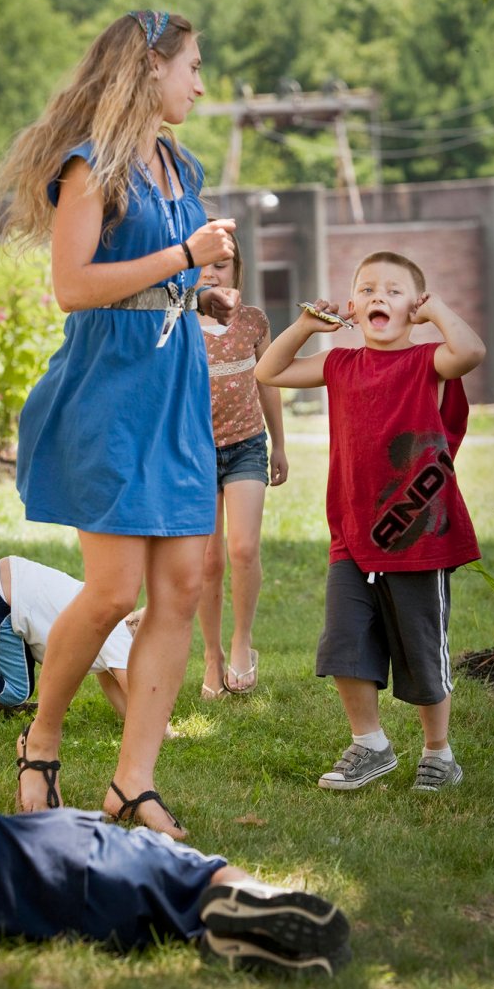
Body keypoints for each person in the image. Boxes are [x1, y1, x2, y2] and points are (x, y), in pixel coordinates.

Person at [0, 11, 241, 836]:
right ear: (148, 70)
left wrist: (198, 293)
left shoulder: (180, 163)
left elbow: (155, 273)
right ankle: (43, 738)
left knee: (183, 584)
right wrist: (183, 259)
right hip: (109, 391)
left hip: (175, 384)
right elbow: (74, 285)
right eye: (193, 67)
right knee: (111, 591)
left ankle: (132, 784)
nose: (200, 84)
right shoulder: (88, 166)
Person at [255, 250, 485, 792]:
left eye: (395, 290)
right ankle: (370, 743)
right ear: (353, 309)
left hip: (416, 535)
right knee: (343, 643)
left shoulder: (428, 361)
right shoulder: (338, 365)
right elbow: (270, 370)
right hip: (352, 536)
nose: (378, 295)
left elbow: (470, 351)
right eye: (366, 289)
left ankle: (439, 752)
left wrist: (439, 311)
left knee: (422, 651)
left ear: (416, 308)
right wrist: (307, 325)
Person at [0, 789, 351, 977]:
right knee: (167, 862)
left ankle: (221, 930)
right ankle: (241, 892)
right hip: (72, 864)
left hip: (13, 909)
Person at [196, 232, 288, 698]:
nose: (212, 274)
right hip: (195, 452)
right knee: (208, 560)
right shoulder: (180, 324)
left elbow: (269, 384)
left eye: (222, 266)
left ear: (238, 271)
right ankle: (211, 656)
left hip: (248, 446)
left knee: (243, 549)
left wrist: (280, 444)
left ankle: (241, 642)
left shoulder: (253, 321)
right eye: (204, 265)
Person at [0, 556, 150, 733]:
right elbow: (139, 695)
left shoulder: (113, 621)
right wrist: (162, 731)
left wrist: (129, 717)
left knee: (13, 674)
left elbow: (116, 688)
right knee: (15, 689)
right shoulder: (120, 639)